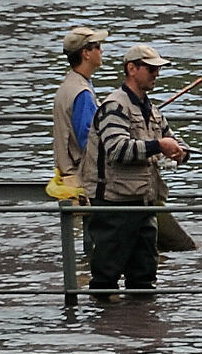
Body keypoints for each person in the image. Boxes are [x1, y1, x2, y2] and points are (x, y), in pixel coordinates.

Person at [79, 42, 188, 296]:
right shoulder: (114, 107)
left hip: (144, 203)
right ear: (131, 69)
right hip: (114, 204)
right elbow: (117, 150)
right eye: (150, 69)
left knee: (145, 274)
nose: (156, 74)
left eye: (158, 69)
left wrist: (181, 153)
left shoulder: (153, 111)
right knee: (106, 275)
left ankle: (141, 317)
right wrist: (158, 146)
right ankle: (103, 318)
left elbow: (173, 140)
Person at [48, 26, 109, 202]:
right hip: (81, 182)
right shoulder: (82, 93)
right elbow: (89, 143)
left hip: (69, 177)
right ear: (86, 53)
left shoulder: (70, 84)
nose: (102, 50)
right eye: (97, 46)